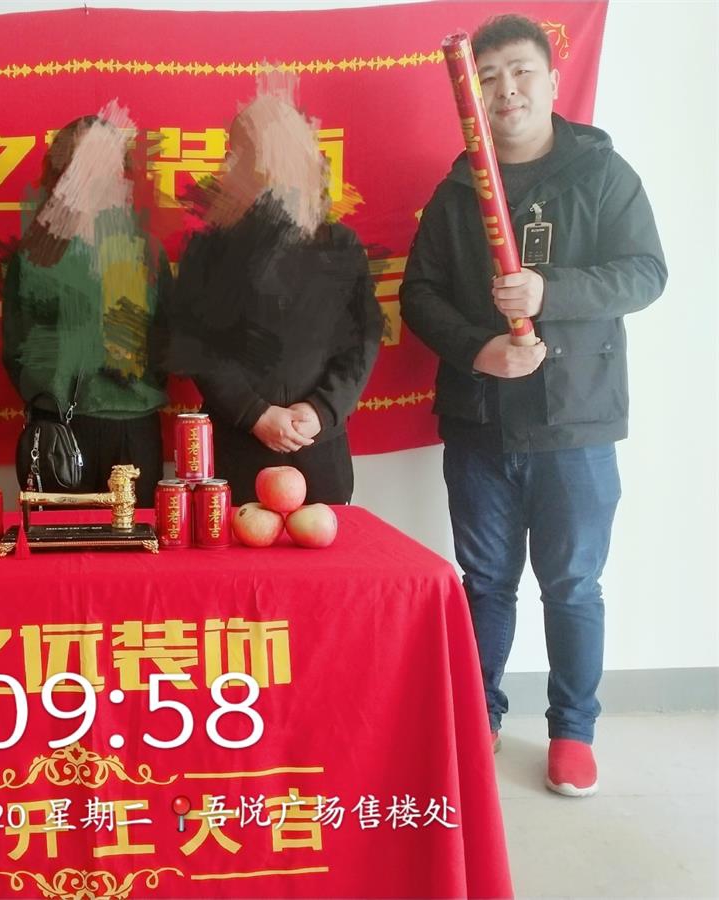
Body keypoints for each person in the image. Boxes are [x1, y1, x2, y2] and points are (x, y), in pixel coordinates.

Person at [400, 14, 667, 797]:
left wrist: (551, 293)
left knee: (573, 583)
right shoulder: (456, 192)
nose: (505, 89)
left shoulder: (602, 174)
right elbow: (419, 296)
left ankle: (573, 729)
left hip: (577, 422)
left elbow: (646, 273)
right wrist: (478, 350)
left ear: (553, 80)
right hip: (479, 420)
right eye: (487, 77)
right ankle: (480, 711)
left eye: (520, 72)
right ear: (470, 94)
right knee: (484, 580)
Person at [170, 89, 383, 505]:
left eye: (242, 152)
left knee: (322, 545)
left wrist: (321, 410)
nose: (229, 165)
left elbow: (362, 340)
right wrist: (255, 413)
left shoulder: (339, 244)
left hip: (319, 447)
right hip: (237, 448)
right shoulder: (209, 249)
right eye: (231, 152)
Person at [1, 109, 171, 507]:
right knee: (59, 541)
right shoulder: (34, 254)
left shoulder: (147, 251)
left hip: (133, 427)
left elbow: (166, 339)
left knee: (134, 538)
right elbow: (15, 344)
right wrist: (50, 393)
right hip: (59, 429)